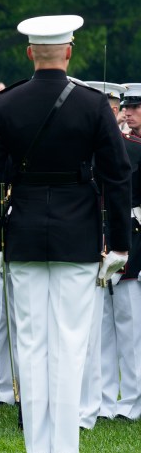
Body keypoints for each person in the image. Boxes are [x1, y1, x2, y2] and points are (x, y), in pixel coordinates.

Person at [0, 15, 130, 453]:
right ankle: (64, 450)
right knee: (69, 343)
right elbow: (117, 176)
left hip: (22, 234)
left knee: (31, 343)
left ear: (29, 53)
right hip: (76, 236)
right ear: (69, 50)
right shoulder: (91, 103)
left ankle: (36, 451)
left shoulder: (6, 104)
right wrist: (119, 244)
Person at [78, 81, 134, 427]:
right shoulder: (80, 148)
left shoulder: (133, 148)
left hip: (128, 239)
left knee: (128, 325)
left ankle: (131, 399)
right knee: (95, 327)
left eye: (116, 108)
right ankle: (100, 399)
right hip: (88, 236)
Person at [106, 83, 141, 421]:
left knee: (130, 326)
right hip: (118, 236)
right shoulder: (121, 146)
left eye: (135, 107)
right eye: (126, 106)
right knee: (110, 326)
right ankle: (108, 398)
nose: (127, 111)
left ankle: (131, 400)